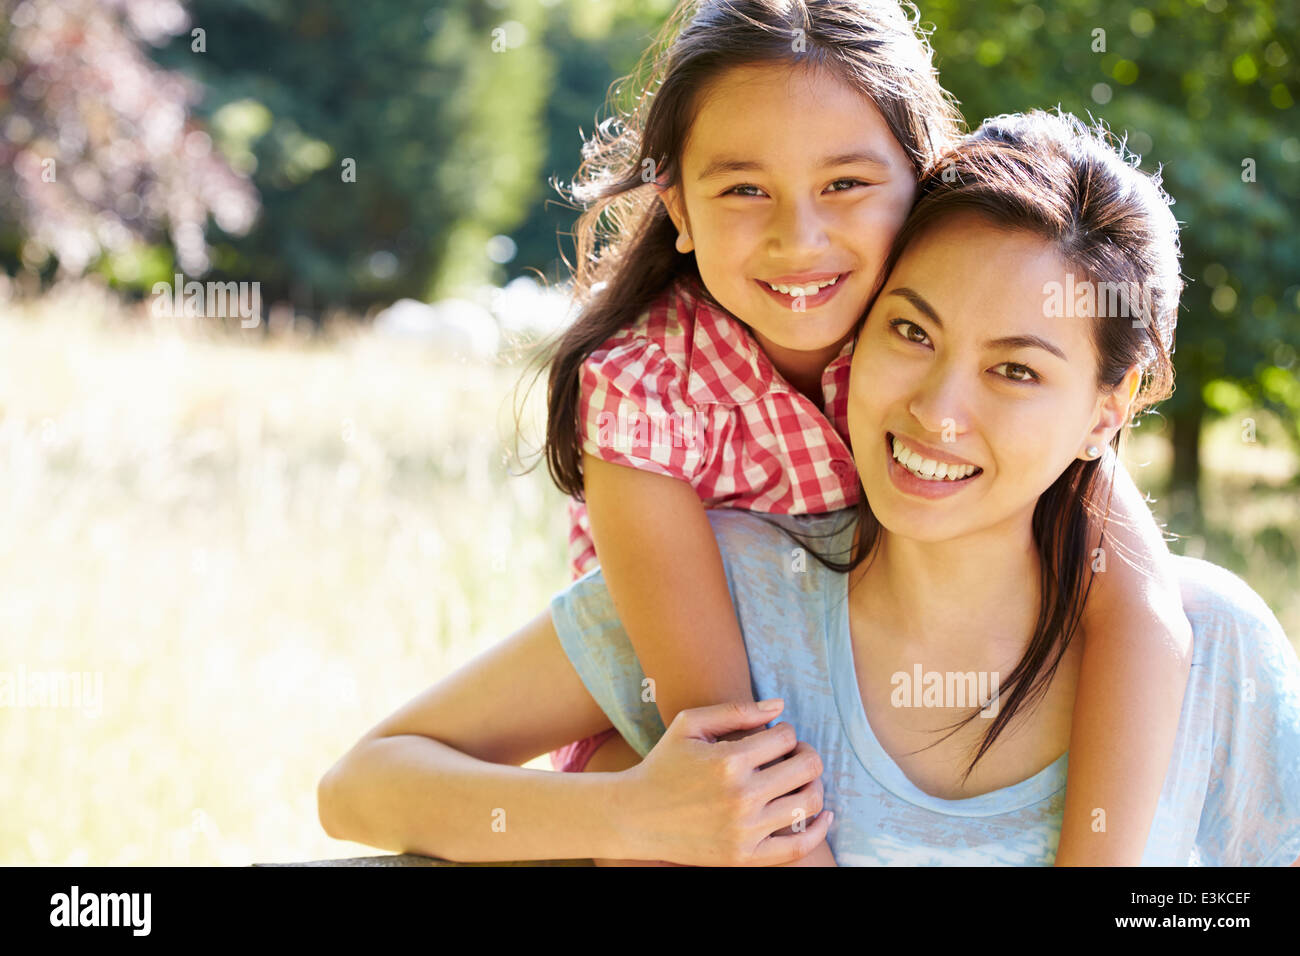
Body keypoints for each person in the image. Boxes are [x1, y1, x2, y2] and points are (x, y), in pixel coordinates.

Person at [318, 109, 1300, 866]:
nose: (938, 410)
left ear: (1108, 406)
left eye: (1015, 371)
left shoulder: (1217, 650)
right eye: (910, 332)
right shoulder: (734, 595)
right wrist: (634, 810)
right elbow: (362, 783)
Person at [538, 0, 1192, 866]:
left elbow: (1142, 607)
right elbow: (731, 749)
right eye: (743, 189)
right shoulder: (646, 386)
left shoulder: (926, 347)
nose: (798, 238)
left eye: (845, 184)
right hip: (679, 741)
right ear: (679, 207)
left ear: (922, 183)